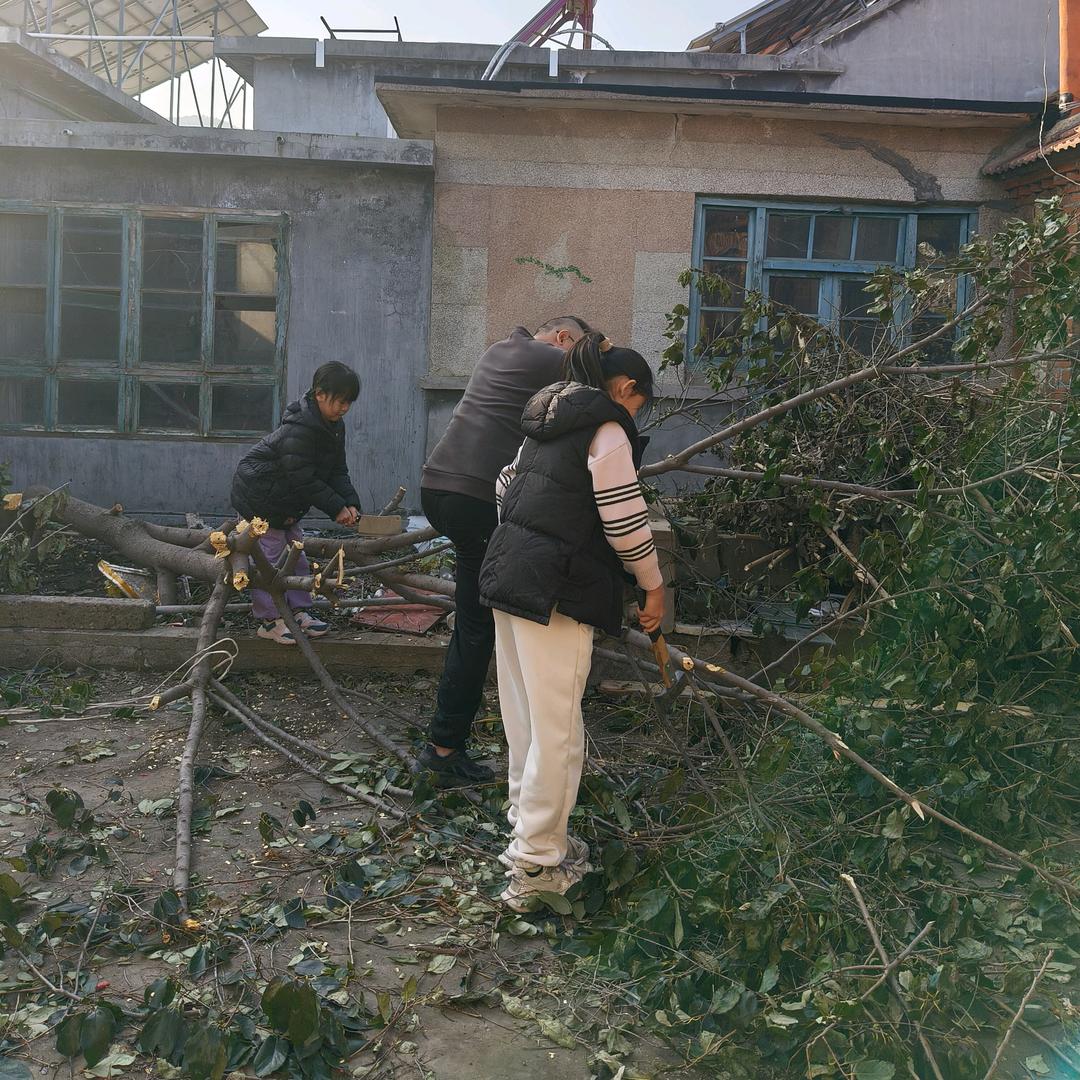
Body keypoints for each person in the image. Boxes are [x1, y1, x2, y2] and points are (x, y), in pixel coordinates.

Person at [478, 332, 665, 910]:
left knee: (526, 719)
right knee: (558, 731)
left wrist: (533, 537)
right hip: (557, 590)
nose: (636, 417)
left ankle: (527, 831)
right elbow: (624, 520)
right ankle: (536, 866)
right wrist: (653, 585)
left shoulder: (548, 419)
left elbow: (504, 485)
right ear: (627, 388)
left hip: (510, 573)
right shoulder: (606, 429)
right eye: (640, 404)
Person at [418, 316, 594, 785]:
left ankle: (451, 739)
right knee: (477, 626)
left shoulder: (500, 349)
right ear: (563, 339)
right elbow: (595, 390)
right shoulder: (553, 359)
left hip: (437, 487)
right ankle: (443, 749)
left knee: (476, 615)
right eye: (578, 347)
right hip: (474, 497)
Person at [231, 362, 362, 645]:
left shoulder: (333, 426)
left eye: (348, 402)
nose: (344, 408)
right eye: (340, 401)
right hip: (261, 499)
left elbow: (337, 470)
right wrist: (336, 507)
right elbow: (302, 477)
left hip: (286, 501)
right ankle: (269, 619)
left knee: (296, 554)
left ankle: (299, 611)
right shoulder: (300, 428)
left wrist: (350, 502)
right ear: (320, 394)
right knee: (269, 558)